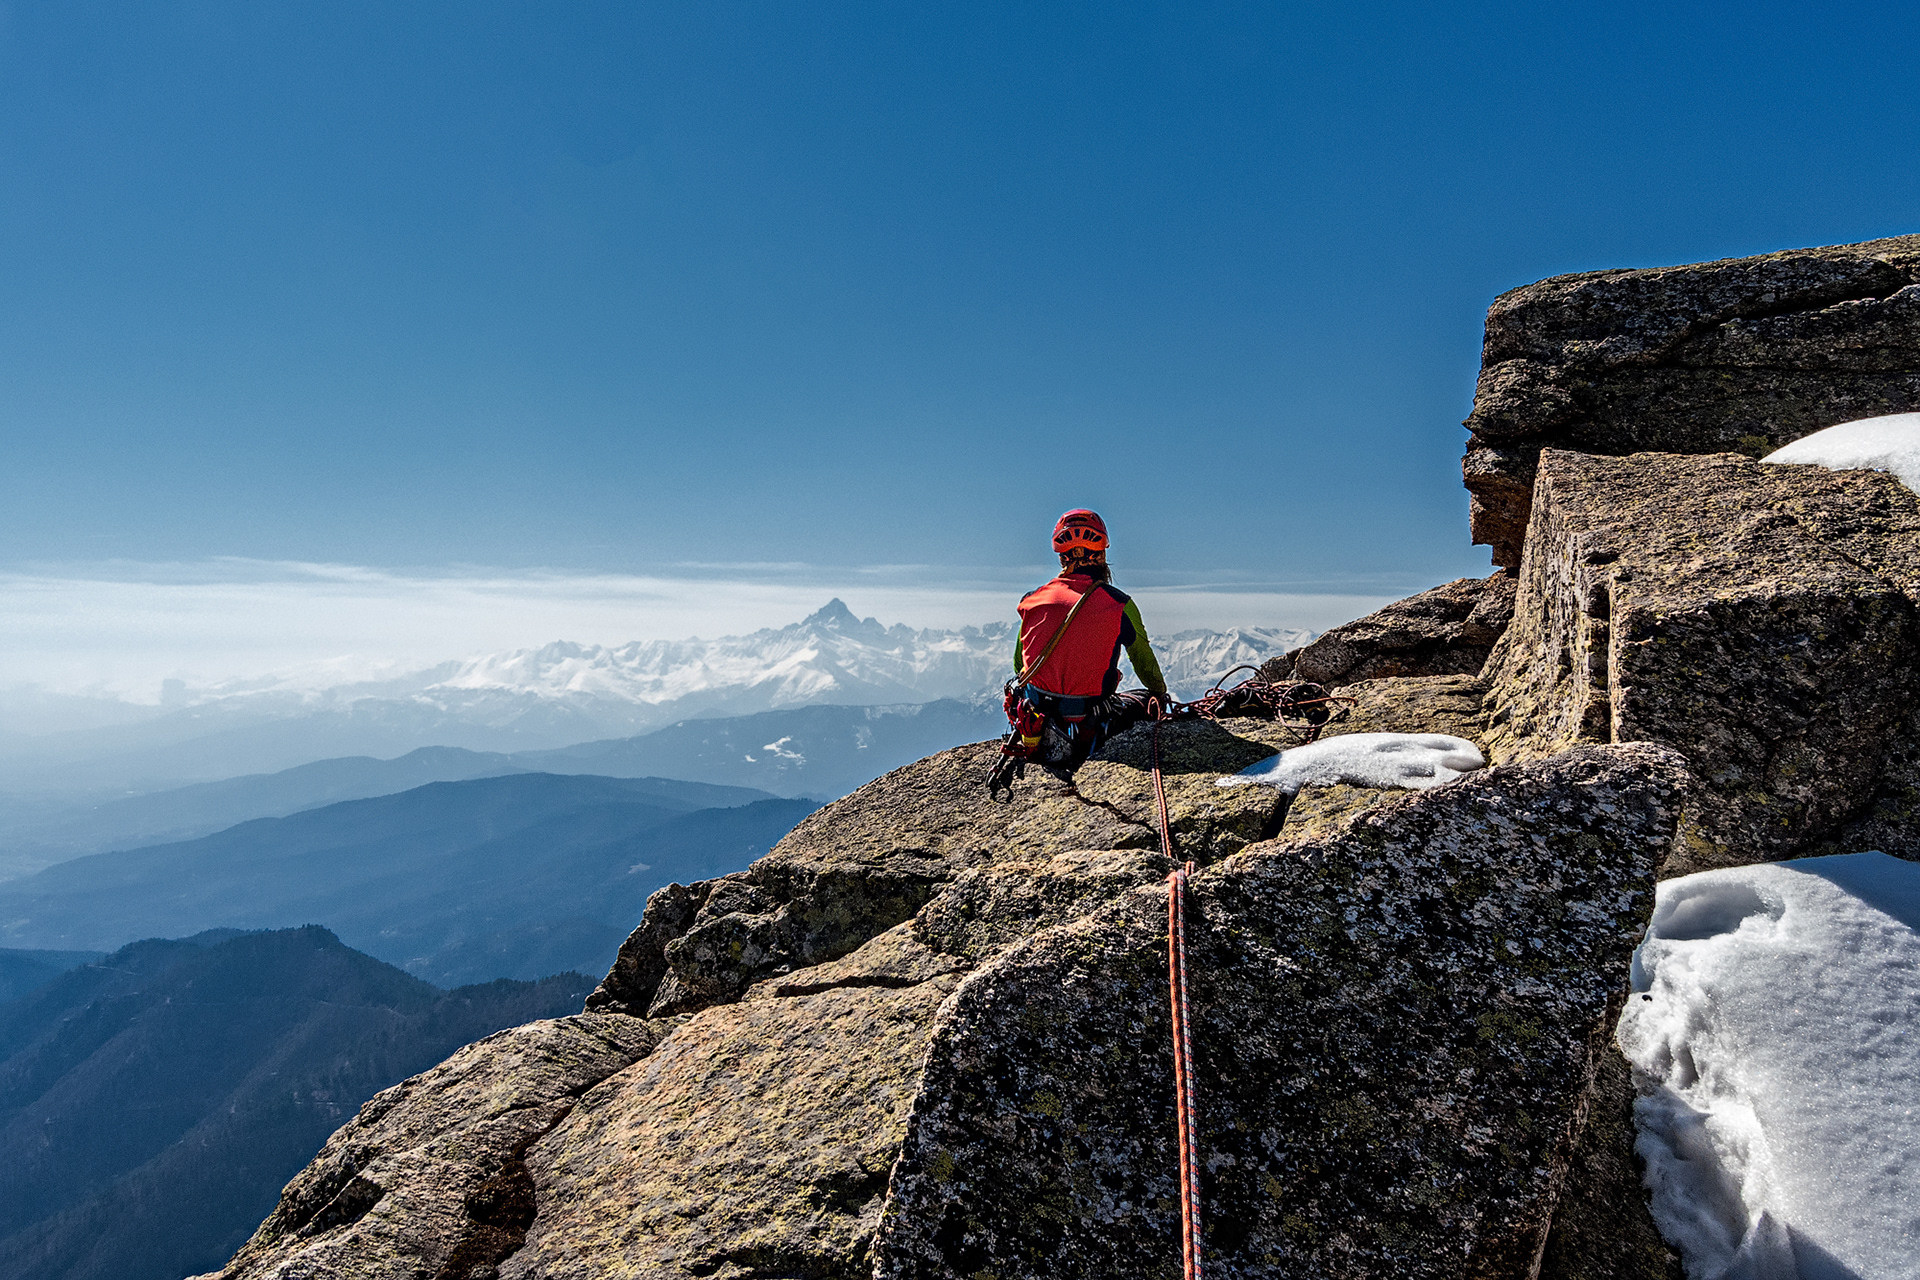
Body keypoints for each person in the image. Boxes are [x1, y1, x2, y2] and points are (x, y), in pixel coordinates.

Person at [1009, 509, 1169, 769]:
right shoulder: (1119, 604)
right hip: (1093, 719)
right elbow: (1143, 661)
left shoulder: (1032, 600)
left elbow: (1020, 666)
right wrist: (1160, 694)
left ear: (1062, 557)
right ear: (1102, 554)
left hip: (1038, 716)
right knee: (1145, 699)